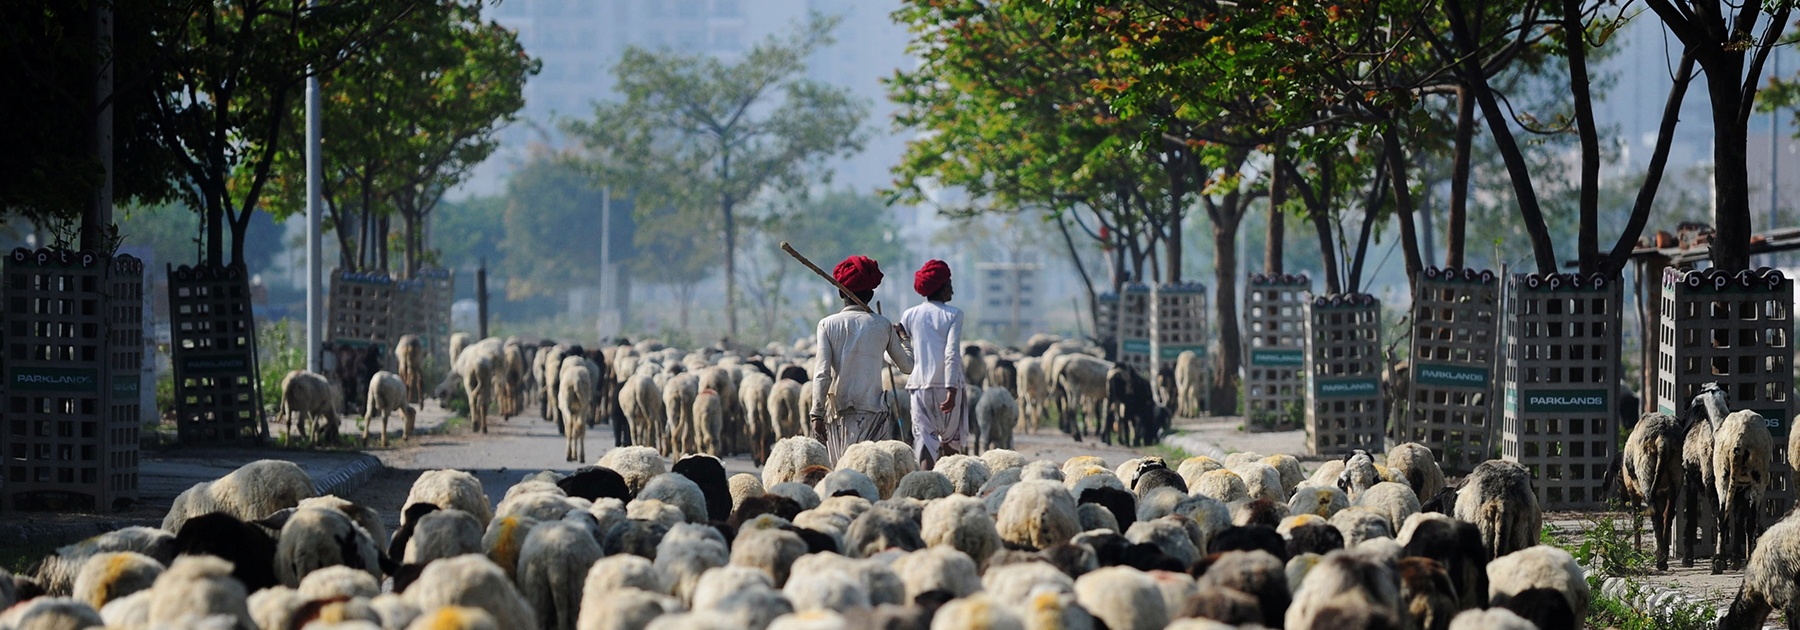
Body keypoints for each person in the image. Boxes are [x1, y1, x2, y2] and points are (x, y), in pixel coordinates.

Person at [810, 255, 914, 463]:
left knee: (841, 474)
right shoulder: (882, 325)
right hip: (874, 417)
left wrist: (816, 414)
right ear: (871, 293)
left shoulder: (827, 324)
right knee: (873, 475)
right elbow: (908, 366)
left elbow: (822, 375)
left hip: (839, 415)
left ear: (841, 292)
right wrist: (904, 339)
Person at [900, 259, 964, 470]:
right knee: (951, 442)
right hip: (948, 385)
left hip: (919, 386)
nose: (952, 288)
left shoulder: (910, 315)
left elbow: (901, 349)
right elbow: (951, 352)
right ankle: (951, 489)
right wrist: (951, 390)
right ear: (943, 287)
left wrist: (900, 335)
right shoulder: (953, 314)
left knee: (925, 442)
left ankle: (926, 489)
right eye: (949, 283)